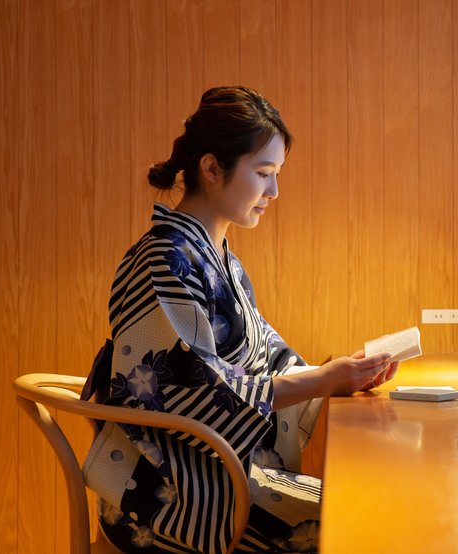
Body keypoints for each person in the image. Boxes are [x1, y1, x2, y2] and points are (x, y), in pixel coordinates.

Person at [80, 86, 398, 554]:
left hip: (213, 471)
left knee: (366, 506)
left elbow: (267, 352)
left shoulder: (217, 256)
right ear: (211, 168)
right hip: (170, 495)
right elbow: (197, 389)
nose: (274, 191)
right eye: (264, 173)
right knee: (356, 521)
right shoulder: (165, 259)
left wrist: (335, 374)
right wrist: (322, 381)